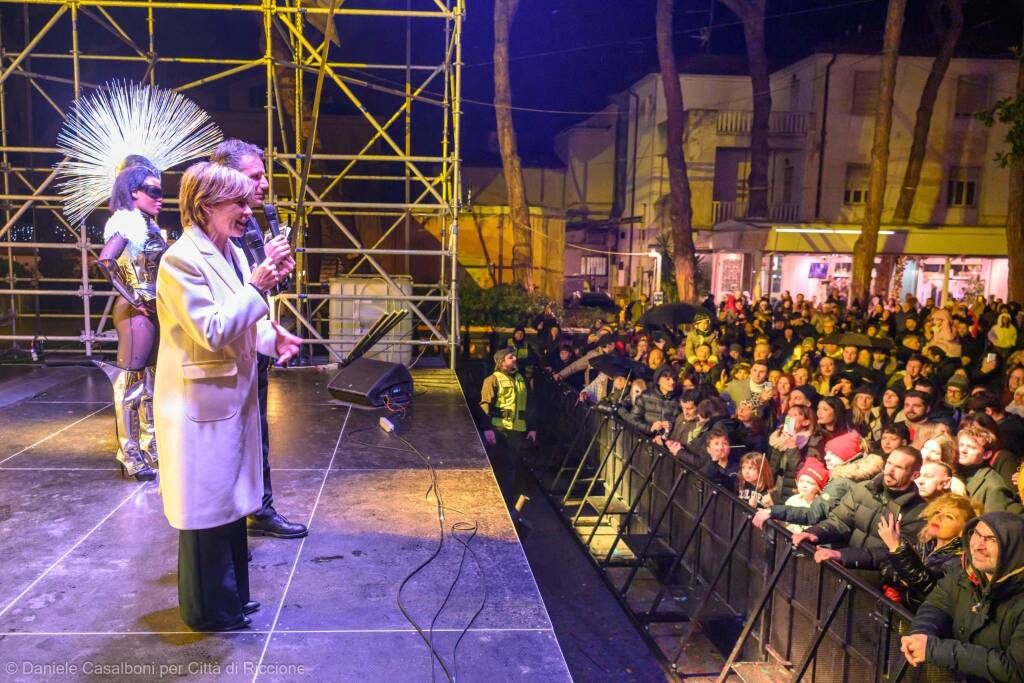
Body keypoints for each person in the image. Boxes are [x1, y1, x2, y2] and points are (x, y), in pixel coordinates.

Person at [155, 161, 300, 632]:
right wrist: (259, 285)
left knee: (229, 505)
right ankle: (209, 611)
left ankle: (231, 600)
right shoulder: (180, 260)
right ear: (205, 207)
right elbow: (213, 329)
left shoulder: (232, 253)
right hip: (199, 406)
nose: (247, 209)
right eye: (237, 202)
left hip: (227, 402)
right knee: (206, 511)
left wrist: (271, 340)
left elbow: (245, 323)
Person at [210, 138, 309, 541]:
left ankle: (257, 508)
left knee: (257, 432)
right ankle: (229, 523)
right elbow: (230, 290)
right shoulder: (209, 237)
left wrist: (275, 266)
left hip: (255, 338)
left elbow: (257, 281)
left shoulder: (248, 221)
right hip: (224, 355)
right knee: (231, 440)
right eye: (255, 176)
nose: (265, 183)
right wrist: (262, 266)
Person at [94, 158, 167, 481]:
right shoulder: (127, 223)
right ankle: (130, 454)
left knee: (150, 383)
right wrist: (134, 297)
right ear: (133, 192)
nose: (160, 196)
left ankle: (150, 449)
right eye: (153, 191)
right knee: (131, 384)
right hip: (136, 312)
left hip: (152, 309)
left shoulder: (146, 223)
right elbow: (106, 261)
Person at [902, 512, 1024, 682]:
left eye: (992, 539)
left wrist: (937, 650)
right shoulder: (963, 573)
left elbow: (1015, 669)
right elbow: (936, 605)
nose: (978, 545)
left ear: (1014, 550)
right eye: (977, 534)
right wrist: (920, 634)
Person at [792, 446, 926, 572]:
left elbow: (891, 553)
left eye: (899, 468)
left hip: (872, 585)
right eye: (889, 463)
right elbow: (839, 521)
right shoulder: (862, 489)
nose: (890, 471)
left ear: (915, 475)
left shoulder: (918, 512)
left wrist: (843, 556)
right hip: (839, 572)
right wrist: (815, 532)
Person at [878, 493, 979, 610]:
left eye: (949, 516)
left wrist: (897, 548)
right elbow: (887, 566)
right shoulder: (927, 545)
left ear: (965, 529)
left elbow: (930, 589)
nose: (938, 517)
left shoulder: (960, 561)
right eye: (937, 512)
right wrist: (899, 583)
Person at [479, 348, 537, 526]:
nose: (514, 359)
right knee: (498, 466)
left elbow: (529, 404)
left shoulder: (521, 379)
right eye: (510, 357)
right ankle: (493, 503)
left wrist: (532, 427)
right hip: (498, 428)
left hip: (517, 430)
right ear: (501, 362)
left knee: (512, 467)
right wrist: (487, 428)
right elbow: (484, 405)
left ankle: (506, 504)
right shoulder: (493, 380)